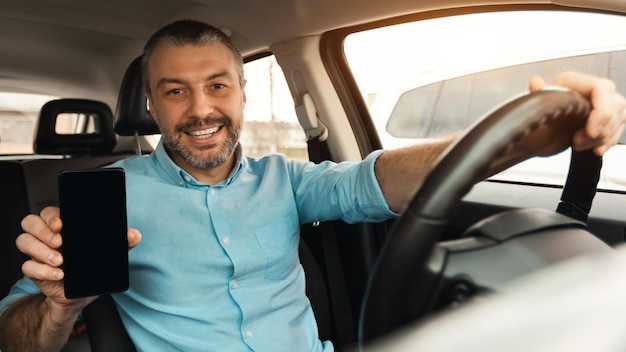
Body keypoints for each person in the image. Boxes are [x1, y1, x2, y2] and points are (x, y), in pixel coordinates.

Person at [0, 19, 625, 352]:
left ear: (242, 92)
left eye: (217, 84)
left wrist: (523, 136)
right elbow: (14, 338)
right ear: (154, 107)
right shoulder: (102, 199)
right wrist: (60, 302)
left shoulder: (287, 181)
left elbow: (376, 180)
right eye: (174, 91)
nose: (200, 109)